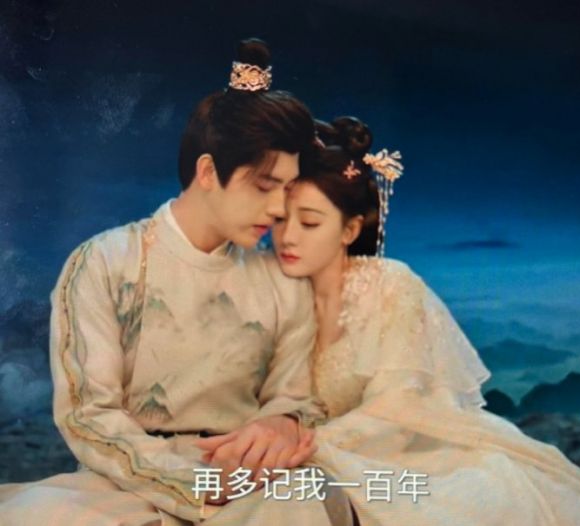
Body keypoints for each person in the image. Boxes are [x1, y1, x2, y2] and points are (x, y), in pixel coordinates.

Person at [0, 40, 355, 526]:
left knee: (310, 504)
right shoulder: (105, 262)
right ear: (207, 171)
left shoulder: (282, 281)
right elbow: (89, 416)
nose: (278, 209)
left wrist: (282, 422)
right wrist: (189, 484)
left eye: (287, 190)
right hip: (124, 483)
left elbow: (296, 394)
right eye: (264, 185)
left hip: (251, 484)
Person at [202, 116, 580, 524]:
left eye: (309, 223)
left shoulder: (390, 285)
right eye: (280, 220)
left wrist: (307, 442)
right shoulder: (273, 286)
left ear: (349, 229)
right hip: (312, 453)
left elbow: (400, 405)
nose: (288, 237)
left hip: (409, 453)